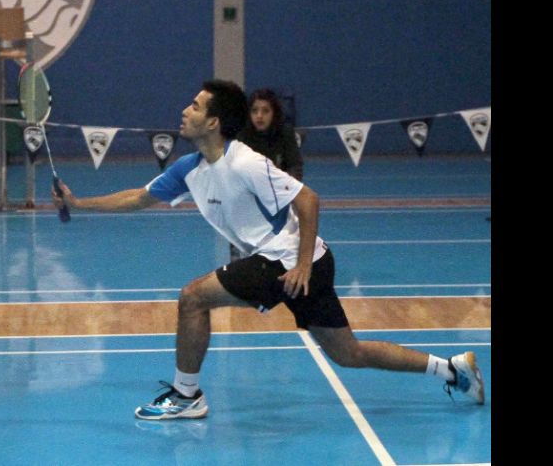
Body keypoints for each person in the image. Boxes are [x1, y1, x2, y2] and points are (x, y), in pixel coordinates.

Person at [51, 79, 484, 420]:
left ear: (215, 122)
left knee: (192, 297)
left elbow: (308, 199)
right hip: (296, 261)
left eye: (196, 106)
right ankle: (452, 369)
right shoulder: (191, 169)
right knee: (347, 352)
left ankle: (186, 395)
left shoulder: (245, 162)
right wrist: (78, 203)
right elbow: (139, 197)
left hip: (286, 258)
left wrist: (299, 266)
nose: (184, 111)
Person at [230, 88, 304, 262]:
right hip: (248, 203)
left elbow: (295, 167)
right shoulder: (242, 136)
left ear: (274, 113)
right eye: (255, 111)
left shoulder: (285, 133)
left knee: (285, 250)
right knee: (241, 257)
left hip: (279, 201)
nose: (259, 116)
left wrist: (282, 191)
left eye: (265, 111)